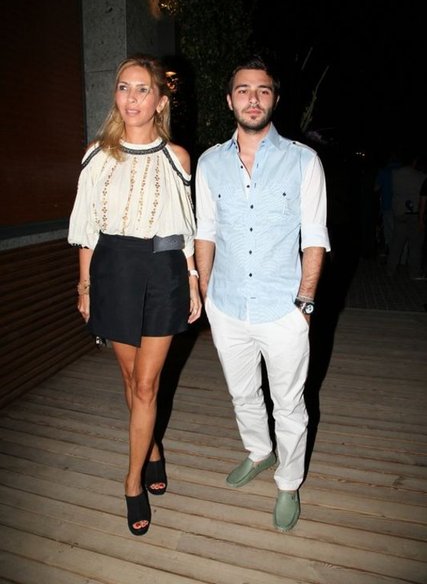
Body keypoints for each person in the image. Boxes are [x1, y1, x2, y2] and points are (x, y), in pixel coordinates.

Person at [68, 53, 202, 536]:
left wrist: (192, 279)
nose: (132, 98)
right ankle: (154, 448)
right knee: (130, 378)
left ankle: (131, 482)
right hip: (114, 272)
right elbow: (86, 229)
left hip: (163, 271)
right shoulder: (96, 155)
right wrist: (85, 285)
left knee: (147, 384)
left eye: (143, 89)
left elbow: (185, 228)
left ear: (160, 101)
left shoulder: (177, 157)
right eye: (124, 87)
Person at [195, 56, 330, 531]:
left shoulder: (303, 160)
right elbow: (205, 231)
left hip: (282, 308)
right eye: (243, 90)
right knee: (242, 393)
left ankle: (288, 483)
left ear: (274, 99)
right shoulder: (209, 163)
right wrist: (207, 294)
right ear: (229, 100)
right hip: (227, 304)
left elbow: (315, 237)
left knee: (289, 404)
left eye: (263, 90)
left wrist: (305, 303)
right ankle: (259, 451)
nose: (253, 99)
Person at [386, 153, 426, 280]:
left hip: (400, 212)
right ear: (414, 162)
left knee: (396, 243)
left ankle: (390, 270)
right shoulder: (421, 176)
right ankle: (414, 272)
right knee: (415, 245)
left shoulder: (395, 174)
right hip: (414, 214)